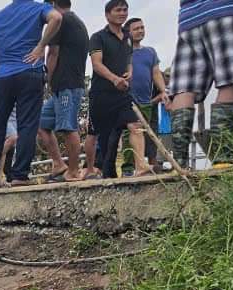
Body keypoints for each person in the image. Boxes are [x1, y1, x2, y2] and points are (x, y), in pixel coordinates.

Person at [0, 0, 63, 189]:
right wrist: (41, 45)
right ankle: (20, 175)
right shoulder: (38, 8)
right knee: (27, 125)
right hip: (30, 72)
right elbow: (57, 17)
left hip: (2, 77)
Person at [168, 0, 233, 168]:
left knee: (184, 89)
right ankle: (223, 157)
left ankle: (179, 163)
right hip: (225, 11)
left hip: (188, 20)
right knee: (230, 81)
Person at [89, 0, 153, 178]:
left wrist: (129, 72)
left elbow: (129, 58)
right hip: (101, 95)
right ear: (108, 14)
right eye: (118, 10)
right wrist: (114, 78)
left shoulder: (127, 37)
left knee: (136, 125)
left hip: (123, 95)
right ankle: (107, 175)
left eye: (125, 10)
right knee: (108, 140)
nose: (123, 13)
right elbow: (96, 64)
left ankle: (141, 166)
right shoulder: (98, 37)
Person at [38, 0, 90, 182]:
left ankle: (73, 172)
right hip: (63, 86)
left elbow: (53, 53)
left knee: (68, 127)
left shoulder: (60, 21)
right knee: (42, 123)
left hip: (68, 84)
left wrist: (47, 78)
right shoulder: (76, 21)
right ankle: (59, 164)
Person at [124, 17, 169, 173]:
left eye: (142, 27)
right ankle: (128, 167)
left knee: (144, 134)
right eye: (136, 28)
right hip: (127, 99)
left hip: (146, 101)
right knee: (129, 132)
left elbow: (156, 73)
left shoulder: (150, 52)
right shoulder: (123, 51)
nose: (140, 31)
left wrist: (163, 90)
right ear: (128, 32)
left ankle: (141, 166)